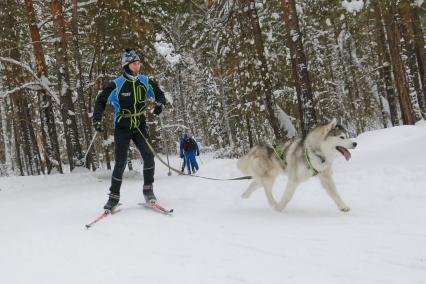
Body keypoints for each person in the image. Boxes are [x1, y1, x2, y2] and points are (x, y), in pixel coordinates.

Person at [93, 48, 167, 211]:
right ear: (126, 65)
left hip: (139, 124)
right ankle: (113, 198)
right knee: (120, 162)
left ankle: (148, 191)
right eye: (135, 63)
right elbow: (100, 100)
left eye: (139, 62)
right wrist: (97, 119)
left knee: (149, 157)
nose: (138, 65)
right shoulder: (117, 84)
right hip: (122, 126)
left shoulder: (145, 81)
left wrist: (160, 104)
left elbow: (160, 95)